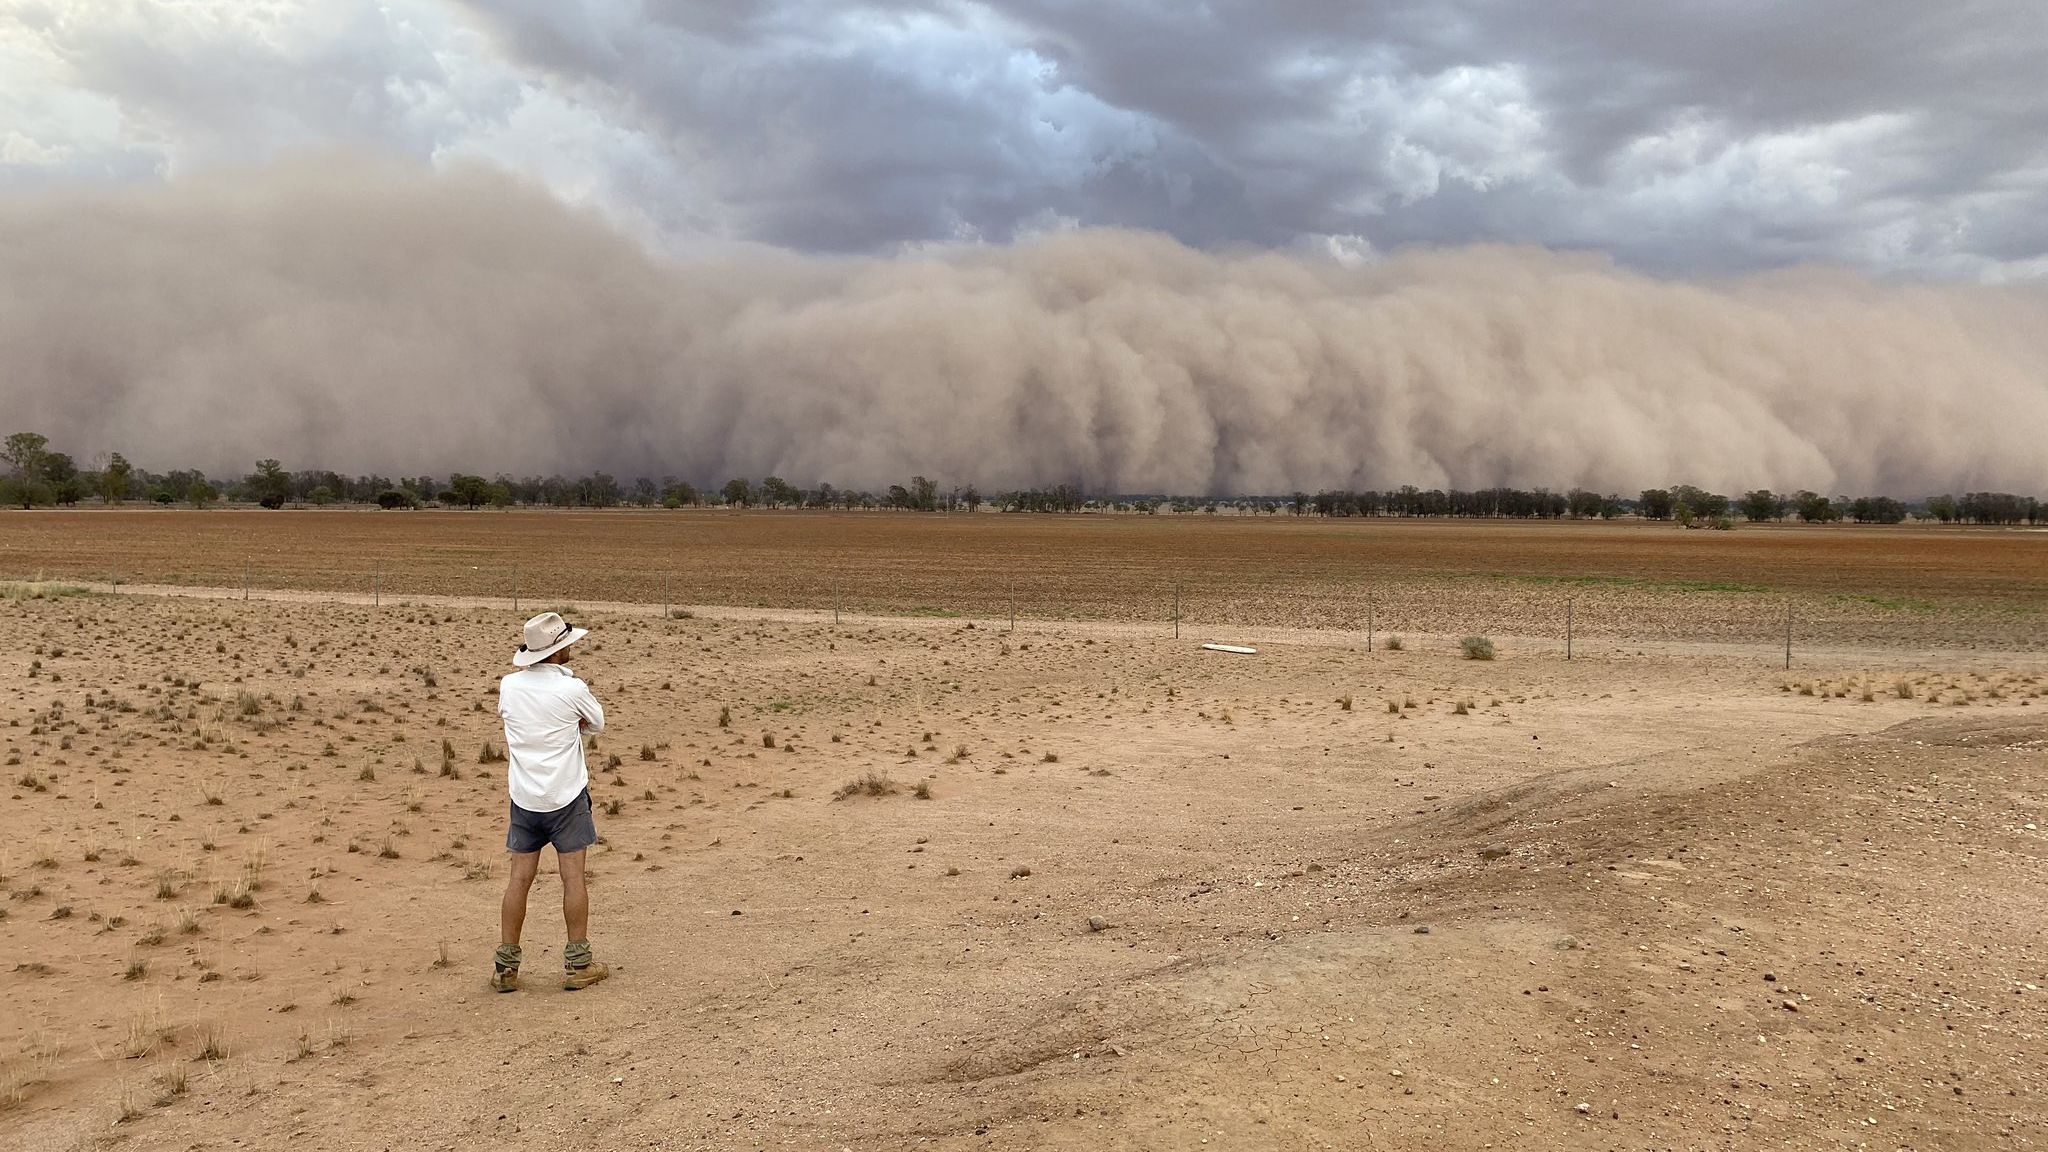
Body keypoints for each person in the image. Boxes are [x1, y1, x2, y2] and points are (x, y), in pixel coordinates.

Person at [491, 611, 611, 992]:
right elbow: (596, 724)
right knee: (573, 877)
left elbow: (510, 718)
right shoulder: (571, 689)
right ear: (558, 651)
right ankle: (579, 964)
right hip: (566, 796)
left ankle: (506, 968)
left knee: (518, 880)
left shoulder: (510, 686)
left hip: (524, 797)